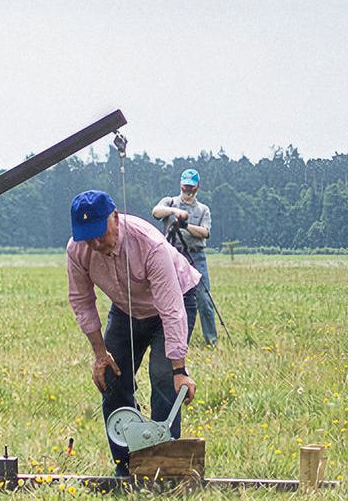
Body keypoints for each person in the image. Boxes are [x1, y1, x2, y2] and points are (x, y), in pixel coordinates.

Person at [66, 190, 200, 477]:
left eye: (100, 233)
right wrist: (101, 354)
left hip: (174, 301)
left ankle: (162, 467)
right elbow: (81, 301)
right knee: (111, 378)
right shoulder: (77, 250)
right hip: (127, 309)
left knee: (164, 378)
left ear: (115, 217)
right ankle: (125, 465)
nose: (96, 242)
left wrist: (180, 369)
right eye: (87, 236)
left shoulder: (148, 244)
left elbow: (171, 307)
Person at [152, 168, 218, 347]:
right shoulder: (169, 202)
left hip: (195, 256)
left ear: (197, 187)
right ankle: (168, 337)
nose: (188, 190)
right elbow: (156, 212)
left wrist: (186, 226)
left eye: (191, 187)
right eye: (185, 186)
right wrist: (174, 212)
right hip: (172, 255)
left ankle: (211, 340)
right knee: (169, 297)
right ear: (180, 184)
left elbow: (205, 232)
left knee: (203, 299)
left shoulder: (203, 209)